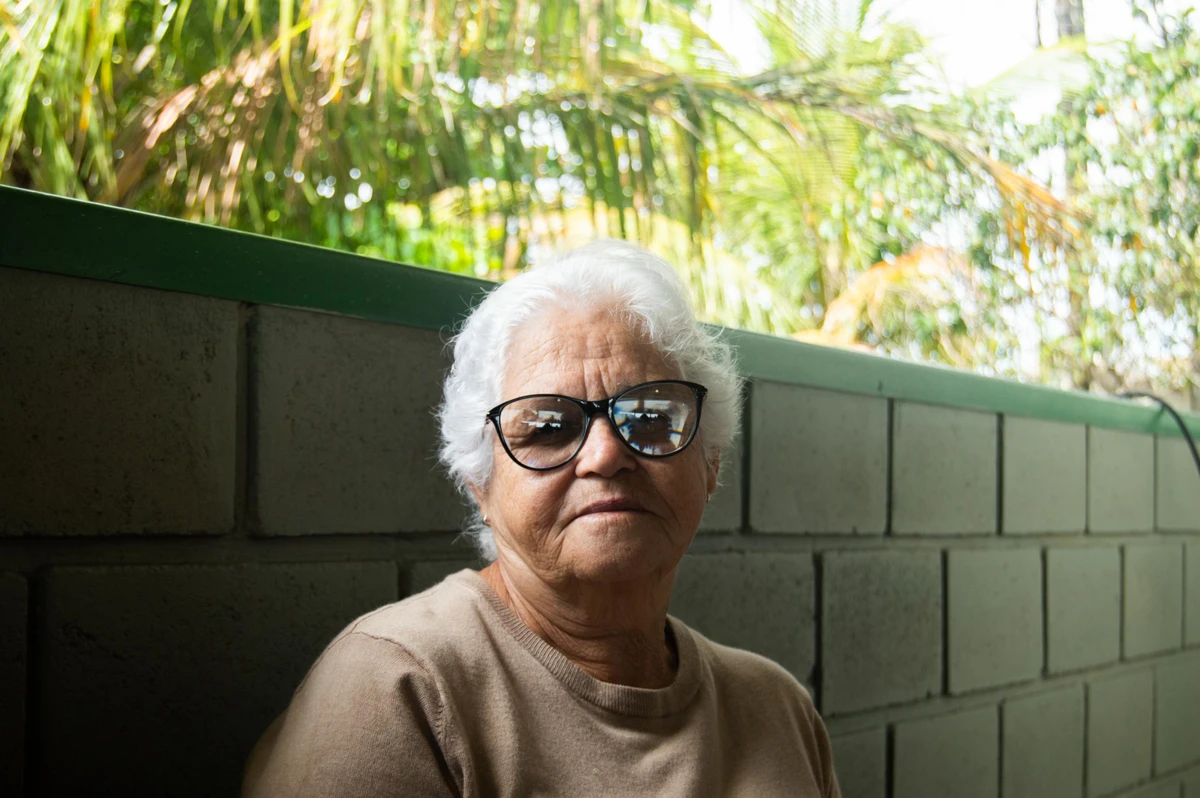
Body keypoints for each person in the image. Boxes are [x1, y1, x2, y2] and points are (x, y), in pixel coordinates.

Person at [242, 240, 841, 797]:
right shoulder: (399, 687)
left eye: (651, 417)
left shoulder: (776, 707)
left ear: (710, 462)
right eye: (548, 428)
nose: (605, 455)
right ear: (480, 483)